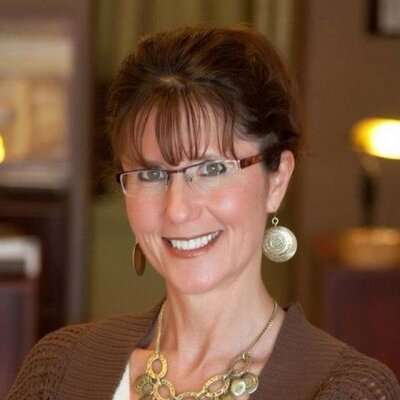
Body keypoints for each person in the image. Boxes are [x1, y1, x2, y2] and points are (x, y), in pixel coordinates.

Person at [6, 26, 400, 400]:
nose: (177, 209)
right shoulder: (58, 368)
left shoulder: (346, 389)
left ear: (277, 179)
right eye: (152, 174)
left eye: (211, 169)